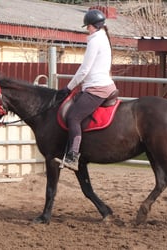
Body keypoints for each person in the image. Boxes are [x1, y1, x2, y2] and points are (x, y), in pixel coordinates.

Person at [57, 9, 117, 171]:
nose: (87, 30)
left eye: (88, 27)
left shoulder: (95, 40)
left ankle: (73, 156)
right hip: (100, 84)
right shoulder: (103, 37)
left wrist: (68, 87)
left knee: (73, 117)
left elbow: (84, 70)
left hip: (97, 88)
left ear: (93, 26)